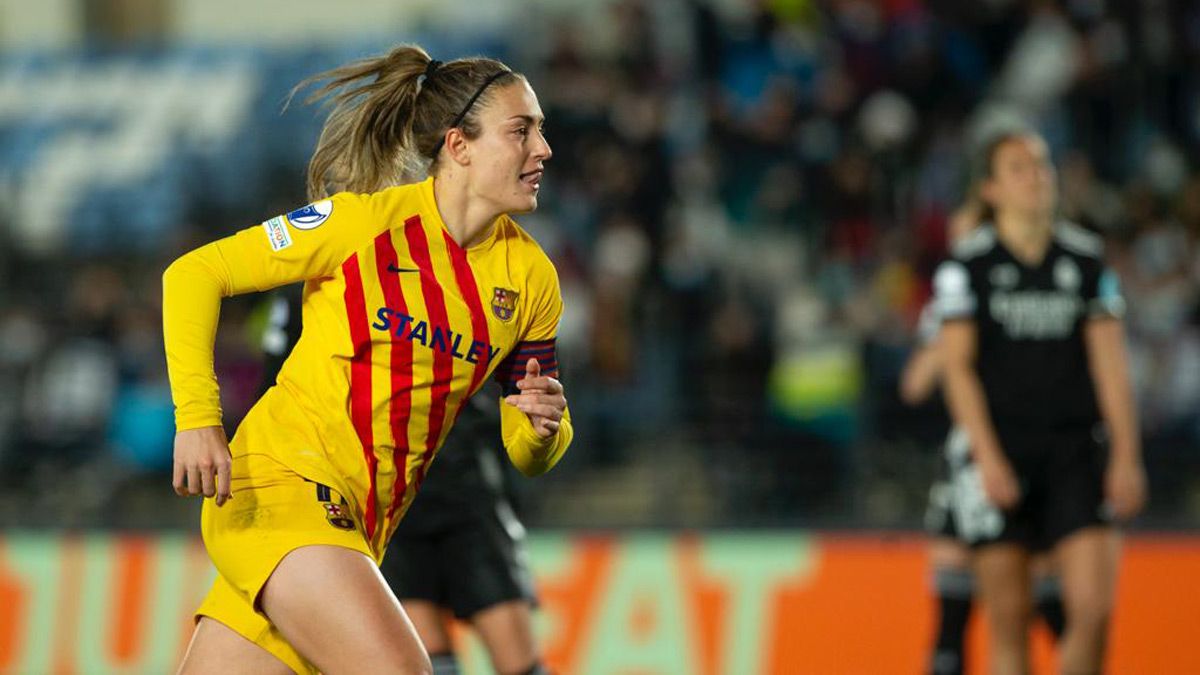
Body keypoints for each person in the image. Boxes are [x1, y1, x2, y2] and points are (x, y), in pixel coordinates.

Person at [162, 45, 572, 675]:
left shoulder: (531, 279)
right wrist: (198, 417)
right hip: (282, 489)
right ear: (459, 145)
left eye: (540, 130)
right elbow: (194, 274)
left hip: (357, 526)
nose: (543, 149)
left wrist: (544, 428)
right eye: (522, 131)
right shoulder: (361, 225)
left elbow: (526, 450)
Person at [933, 130, 1145, 675]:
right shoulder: (967, 267)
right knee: (1009, 620)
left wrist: (1126, 454)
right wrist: (986, 456)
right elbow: (957, 369)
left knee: (1094, 611)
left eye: (1042, 166)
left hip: (1075, 450)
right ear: (991, 189)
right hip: (1001, 450)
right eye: (1018, 169)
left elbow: (1111, 367)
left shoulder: (1087, 260)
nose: (1036, 178)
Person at [260, 288, 547, 675]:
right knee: (427, 659)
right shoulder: (320, 271)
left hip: (467, 484)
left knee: (518, 661)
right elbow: (276, 379)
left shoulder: (463, 263)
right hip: (388, 495)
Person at [902, 197, 1065, 675]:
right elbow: (914, 385)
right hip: (970, 460)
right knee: (956, 609)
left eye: (968, 235)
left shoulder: (1026, 292)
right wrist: (948, 348)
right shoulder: (951, 305)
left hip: (1027, 452)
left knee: (1029, 602)